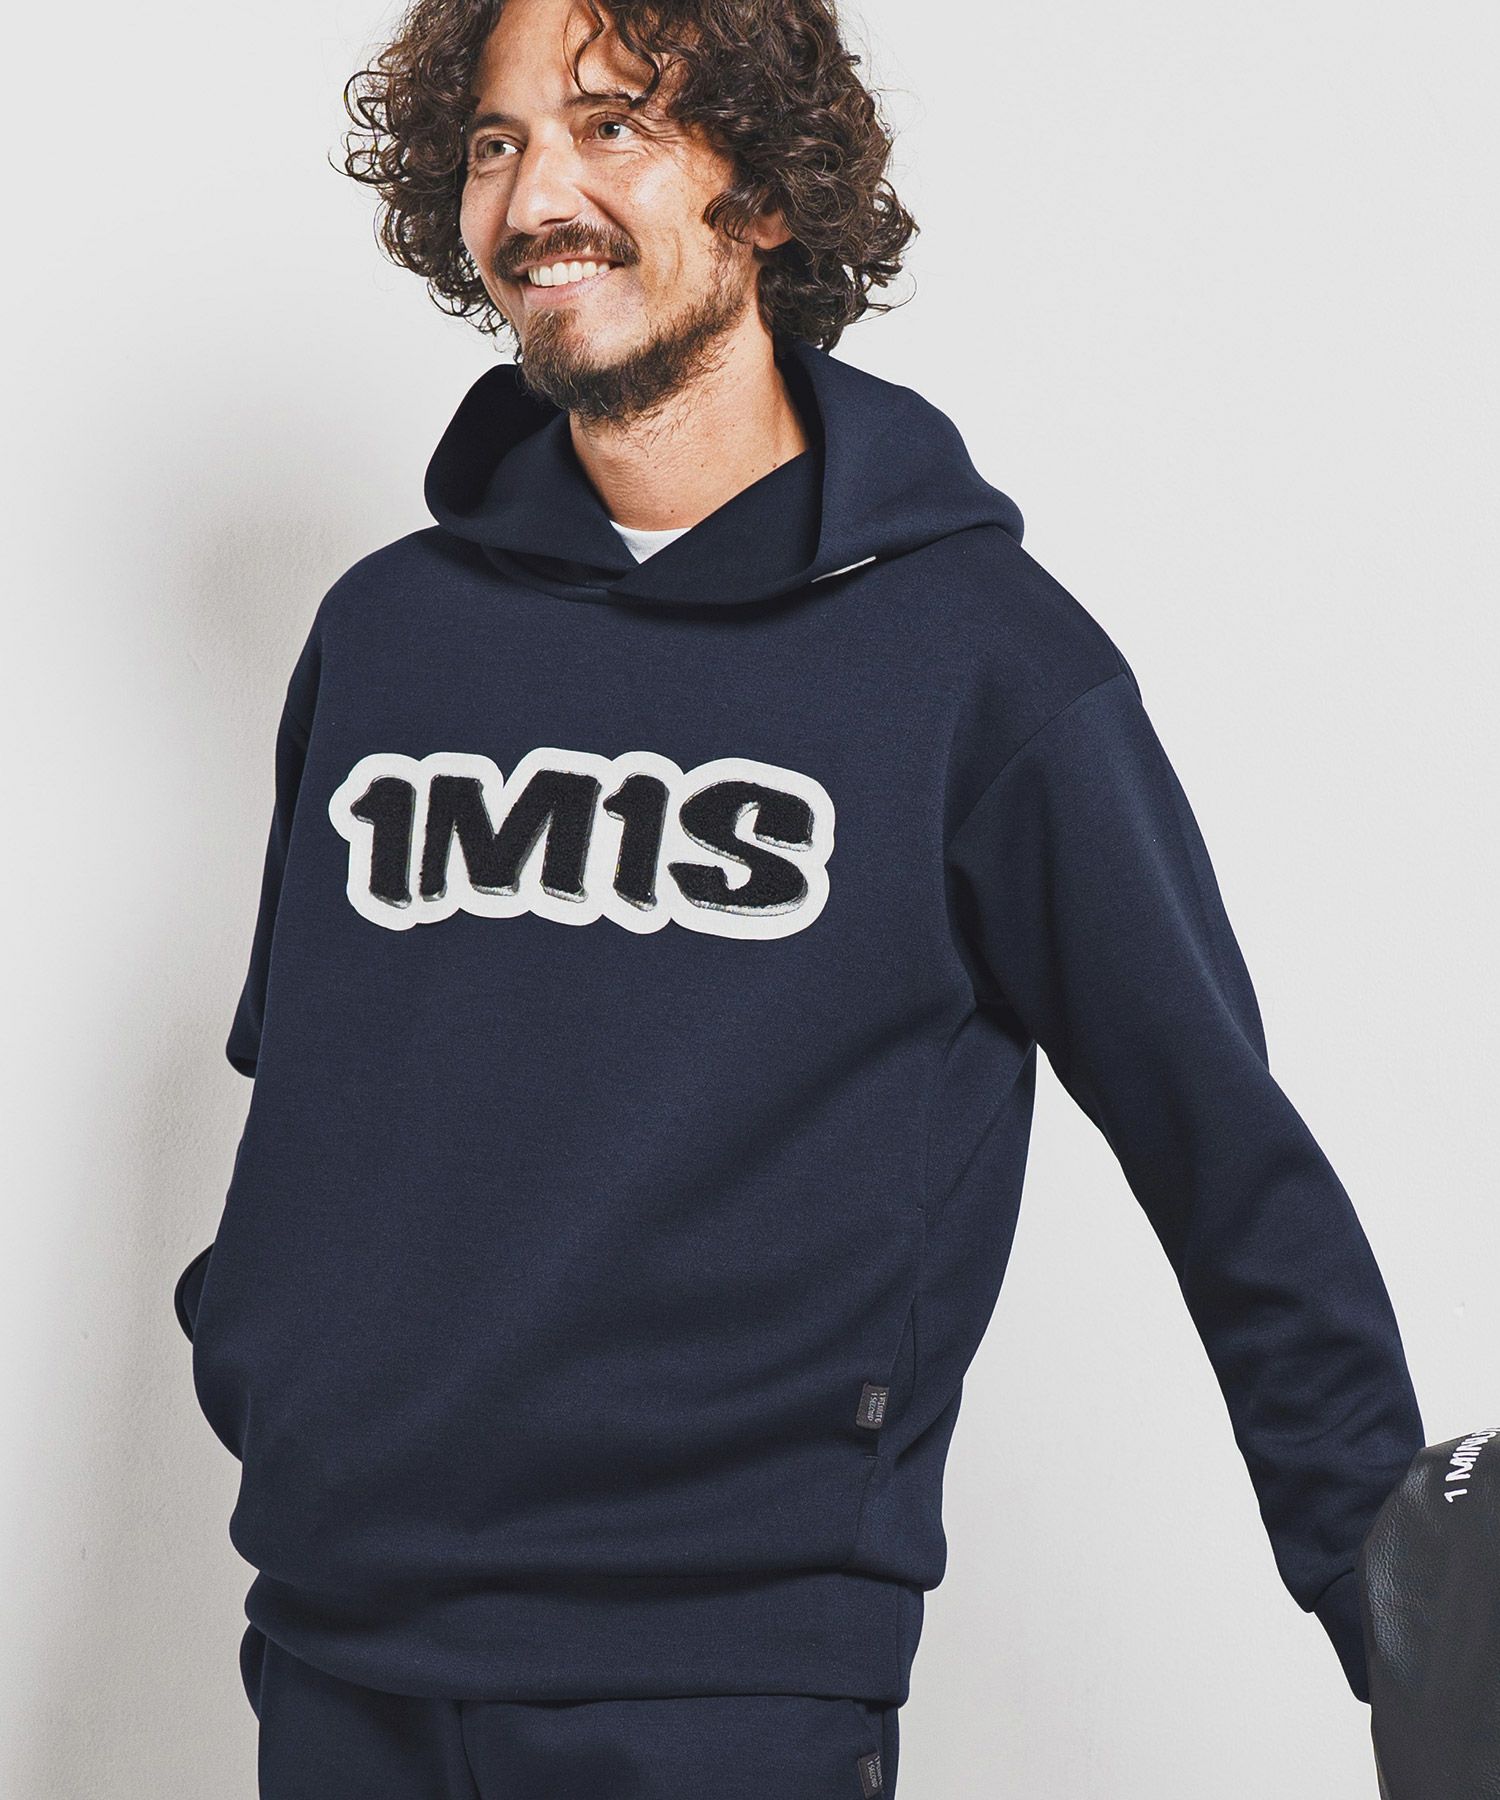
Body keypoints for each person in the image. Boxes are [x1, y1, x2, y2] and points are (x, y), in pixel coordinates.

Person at [171, 0, 1425, 1791]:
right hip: (334, 1657)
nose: (537, 195)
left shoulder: (983, 664)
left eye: (612, 125)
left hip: (723, 1684)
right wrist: (270, 1360)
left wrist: (1409, 1627)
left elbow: (1225, 1158)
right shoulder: (388, 635)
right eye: (497, 142)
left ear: (763, 190)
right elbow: (312, 1088)